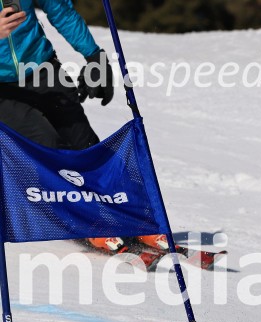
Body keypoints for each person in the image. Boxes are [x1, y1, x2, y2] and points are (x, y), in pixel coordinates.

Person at [0, 1, 165, 253]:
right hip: (4, 90)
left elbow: (60, 10)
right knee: (47, 144)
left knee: (86, 146)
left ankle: (132, 218)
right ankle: (85, 222)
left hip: (43, 67)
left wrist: (93, 56)